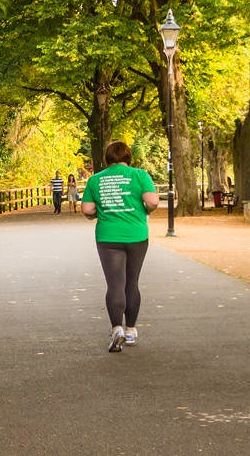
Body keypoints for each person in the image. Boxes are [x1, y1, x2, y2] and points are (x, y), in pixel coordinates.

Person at [81, 141, 159, 352]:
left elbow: (87, 209)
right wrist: (145, 209)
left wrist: (99, 213)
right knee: (131, 283)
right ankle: (131, 330)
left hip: (108, 237)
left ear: (107, 159)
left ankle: (117, 329)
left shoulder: (95, 180)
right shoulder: (140, 175)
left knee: (115, 284)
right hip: (136, 235)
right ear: (128, 157)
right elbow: (153, 201)